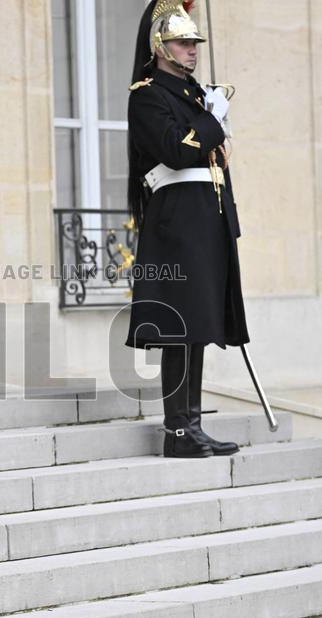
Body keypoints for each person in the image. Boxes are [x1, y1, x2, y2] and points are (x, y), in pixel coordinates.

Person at [125, 0, 249, 459]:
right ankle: (176, 430)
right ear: (161, 46)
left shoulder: (195, 94)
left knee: (199, 324)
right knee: (178, 326)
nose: (192, 50)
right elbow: (177, 152)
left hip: (205, 217)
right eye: (182, 42)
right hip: (176, 220)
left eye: (194, 42)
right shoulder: (148, 95)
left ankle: (193, 423)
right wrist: (212, 120)